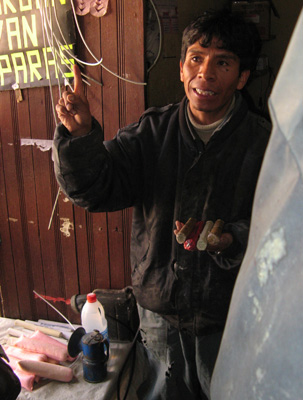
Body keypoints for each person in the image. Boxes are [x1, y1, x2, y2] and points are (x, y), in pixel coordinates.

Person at [53, 10, 270, 400]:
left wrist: (231, 240)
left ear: (241, 77)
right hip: (159, 320)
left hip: (231, 319)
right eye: (197, 59)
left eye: (223, 62)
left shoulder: (264, 144)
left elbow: (282, 232)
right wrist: (80, 135)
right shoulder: (152, 132)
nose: (206, 73)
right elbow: (96, 189)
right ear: (183, 70)